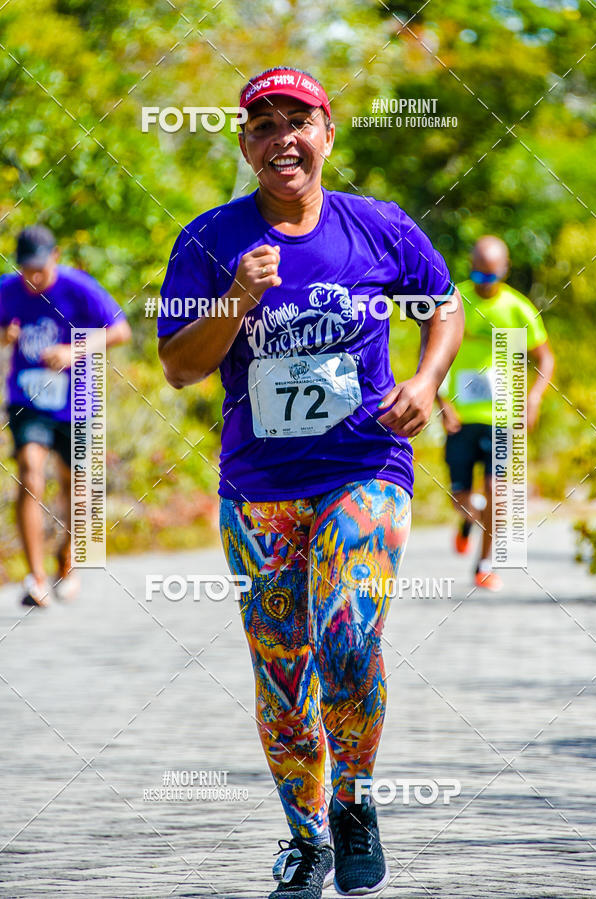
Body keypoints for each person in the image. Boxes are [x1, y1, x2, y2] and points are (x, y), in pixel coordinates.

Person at [157, 67, 463, 899]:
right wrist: (234, 299)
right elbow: (179, 367)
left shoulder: (380, 228)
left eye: (299, 121)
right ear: (245, 143)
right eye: (264, 125)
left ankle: (356, 798)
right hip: (259, 487)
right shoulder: (211, 241)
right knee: (283, 672)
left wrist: (429, 382)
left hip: (365, 465)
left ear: (328, 133)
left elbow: (443, 302)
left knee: (347, 635)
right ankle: (306, 836)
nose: (282, 139)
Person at [0, 225, 131, 606]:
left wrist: (75, 351)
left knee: (77, 487)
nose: (34, 277)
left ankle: (68, 559)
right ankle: (35, 577)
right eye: (26, 269)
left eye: (40, 267)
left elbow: (120, 331)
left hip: (76, 400)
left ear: (55, 256)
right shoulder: (7, 289)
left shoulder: (78, 287)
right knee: (29, 472)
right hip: (27, 399)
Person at [437, 235, 554, 592]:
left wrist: (533, 398)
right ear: (471, 269)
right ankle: (468, 517)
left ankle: (484, 564)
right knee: (462, 497)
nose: (484, 284)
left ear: (504, 271)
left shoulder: (517, 308)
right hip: (462, 415)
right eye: (478, 276)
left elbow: (545, 358)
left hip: (502, 417)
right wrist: (441, 402)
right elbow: (432, 352)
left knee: (497, 492)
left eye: (492, 277)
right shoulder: (455, 299)